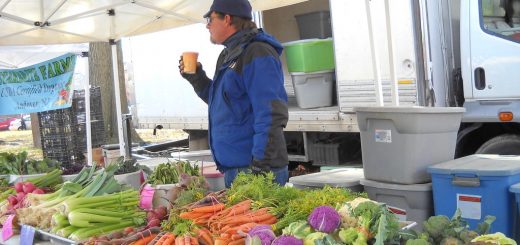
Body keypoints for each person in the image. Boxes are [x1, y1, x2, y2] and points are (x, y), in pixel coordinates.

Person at [178, 0, 289, 188]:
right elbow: (224, 103)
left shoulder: (257, 52)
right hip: (237, 170)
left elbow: (271, 114)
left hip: (255, 171)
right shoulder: (228, 54)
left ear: (227, 18)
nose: (207, 26)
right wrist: (197, 78)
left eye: (210, 19)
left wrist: (260, 168)